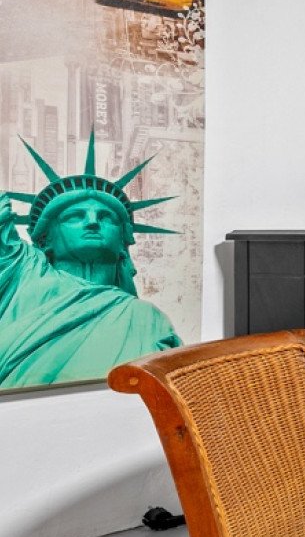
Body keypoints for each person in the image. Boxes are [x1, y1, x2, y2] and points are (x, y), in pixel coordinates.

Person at [1, 138, 181, 388]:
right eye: (75, 216)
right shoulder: (21, 273)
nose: (93, 222)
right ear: (46, 239)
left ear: (123, 242)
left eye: (106, 217)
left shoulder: (148, 319)